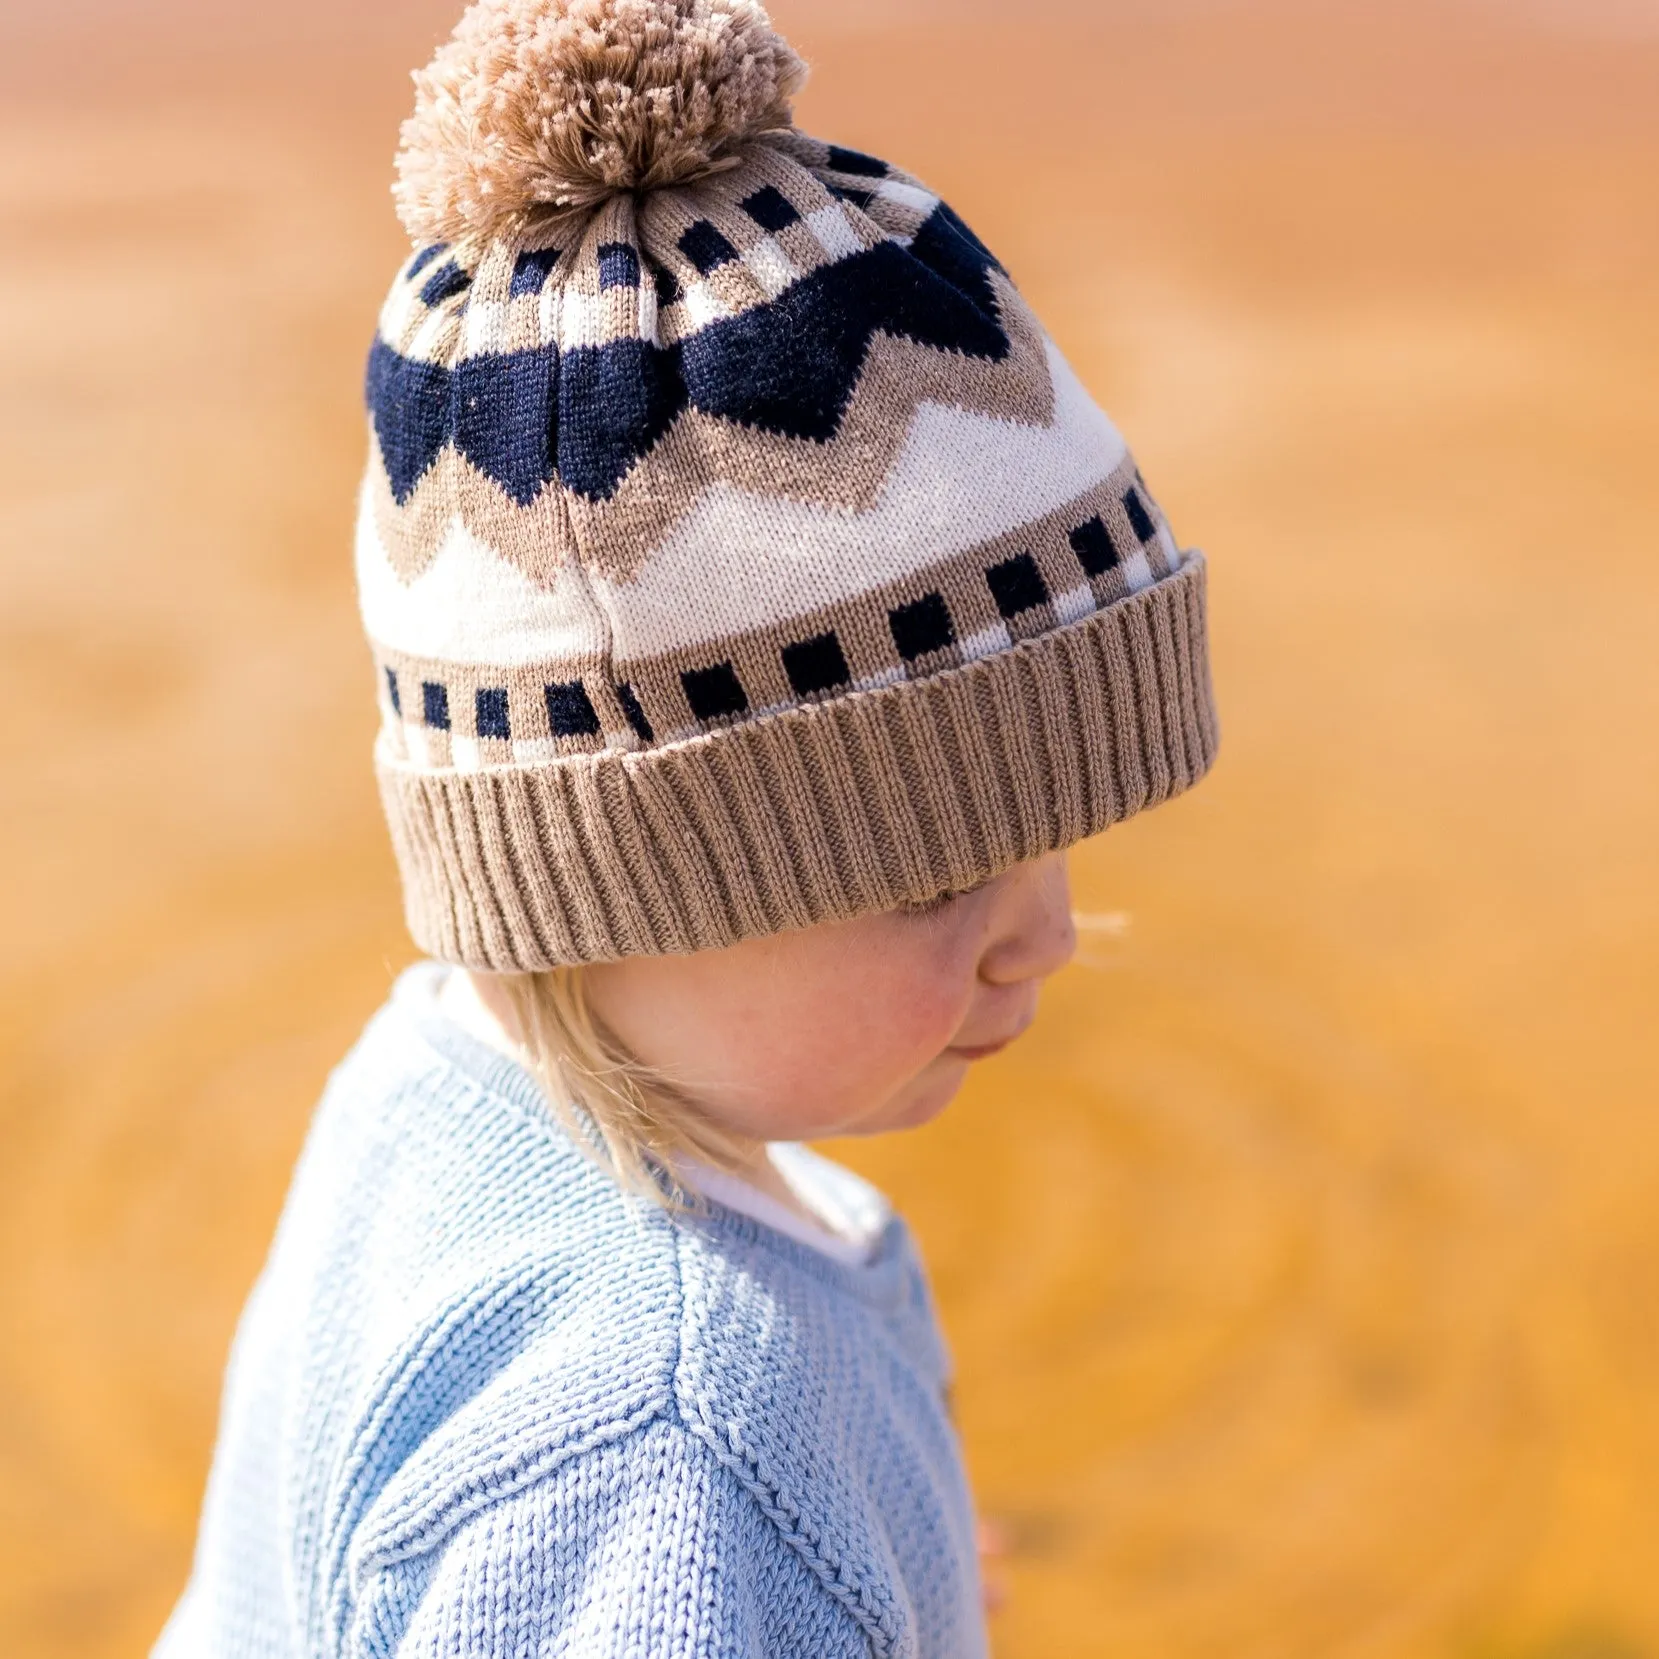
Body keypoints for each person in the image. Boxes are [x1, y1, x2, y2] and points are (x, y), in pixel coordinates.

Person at [155, 0, 1217, 1652]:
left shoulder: (444, 1086)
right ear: (605, 886)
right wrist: (745, 1534)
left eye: (1045, 827)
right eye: (933, 869)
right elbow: (637, 1520)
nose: (1047, 932)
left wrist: (861, 1549)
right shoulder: (663, 1454)